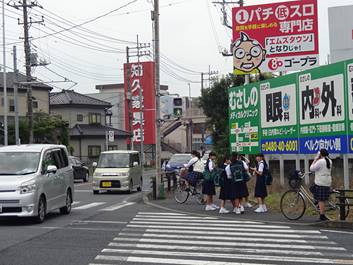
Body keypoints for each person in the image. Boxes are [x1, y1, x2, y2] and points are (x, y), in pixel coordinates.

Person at [309, 149, 332, 221]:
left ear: (320, 154)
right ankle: (317, 203)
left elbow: (311, 168)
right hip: (327, 181)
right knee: (312, 189)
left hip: (320, 182)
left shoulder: (320, 161)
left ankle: (322, 215)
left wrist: (315, 159)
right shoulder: (329, 161)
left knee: (320, 199)